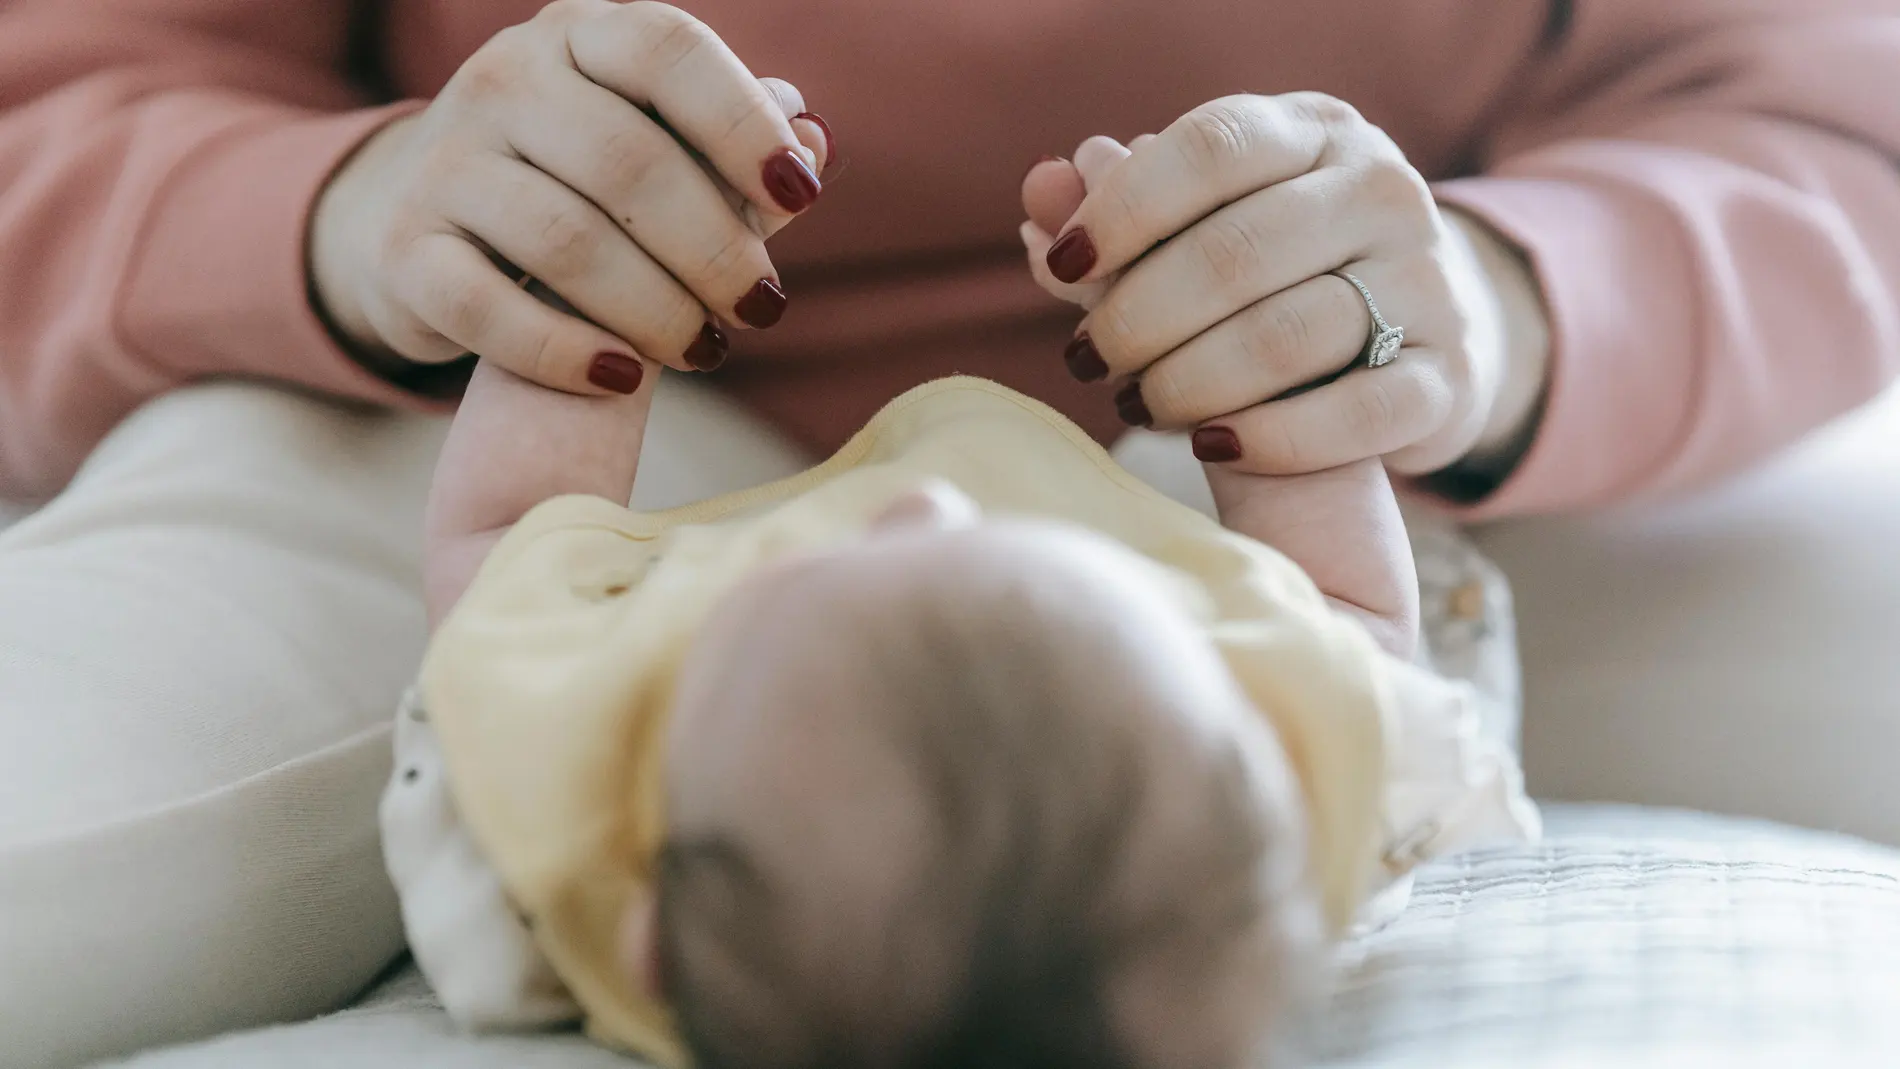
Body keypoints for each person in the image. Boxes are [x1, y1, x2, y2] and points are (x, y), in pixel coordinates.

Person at [1, 0, 1896, 1064]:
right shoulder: (1332, 706)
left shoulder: (541, 754)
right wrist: (375, 217)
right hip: (433, 396)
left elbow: (1841, 120)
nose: (916, 500)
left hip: (1430, 423)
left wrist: (1482, 312)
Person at [382, 363, 1536, 1069]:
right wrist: (1272, 405)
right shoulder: (1250, 851)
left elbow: (506, 551)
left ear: (650, 944)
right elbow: (1348, 628)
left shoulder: (551, 854)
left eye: (798, 576)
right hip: (1156, 544)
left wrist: (582, 330)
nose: (922, 501)